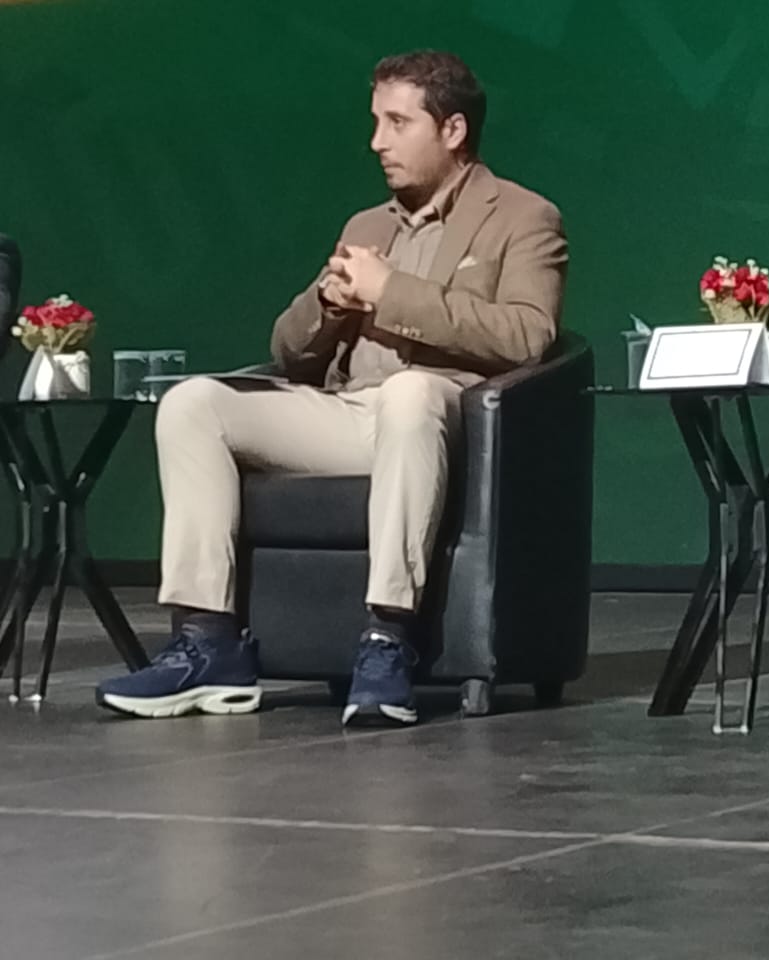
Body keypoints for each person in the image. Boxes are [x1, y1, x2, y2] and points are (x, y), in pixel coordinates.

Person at [95, 50, 567, 726]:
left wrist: (392, 291)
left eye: (397, 123)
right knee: (193, 404)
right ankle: (208, 643)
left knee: (410, 394)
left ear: (453, 130)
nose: (377, 142)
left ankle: (388, 639)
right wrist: (329, 304)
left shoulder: (523, 216)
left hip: (446, 422)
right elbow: (288, 354)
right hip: (349, 415)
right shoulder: (366, 226)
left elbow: (526, 336)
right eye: (376, 122)